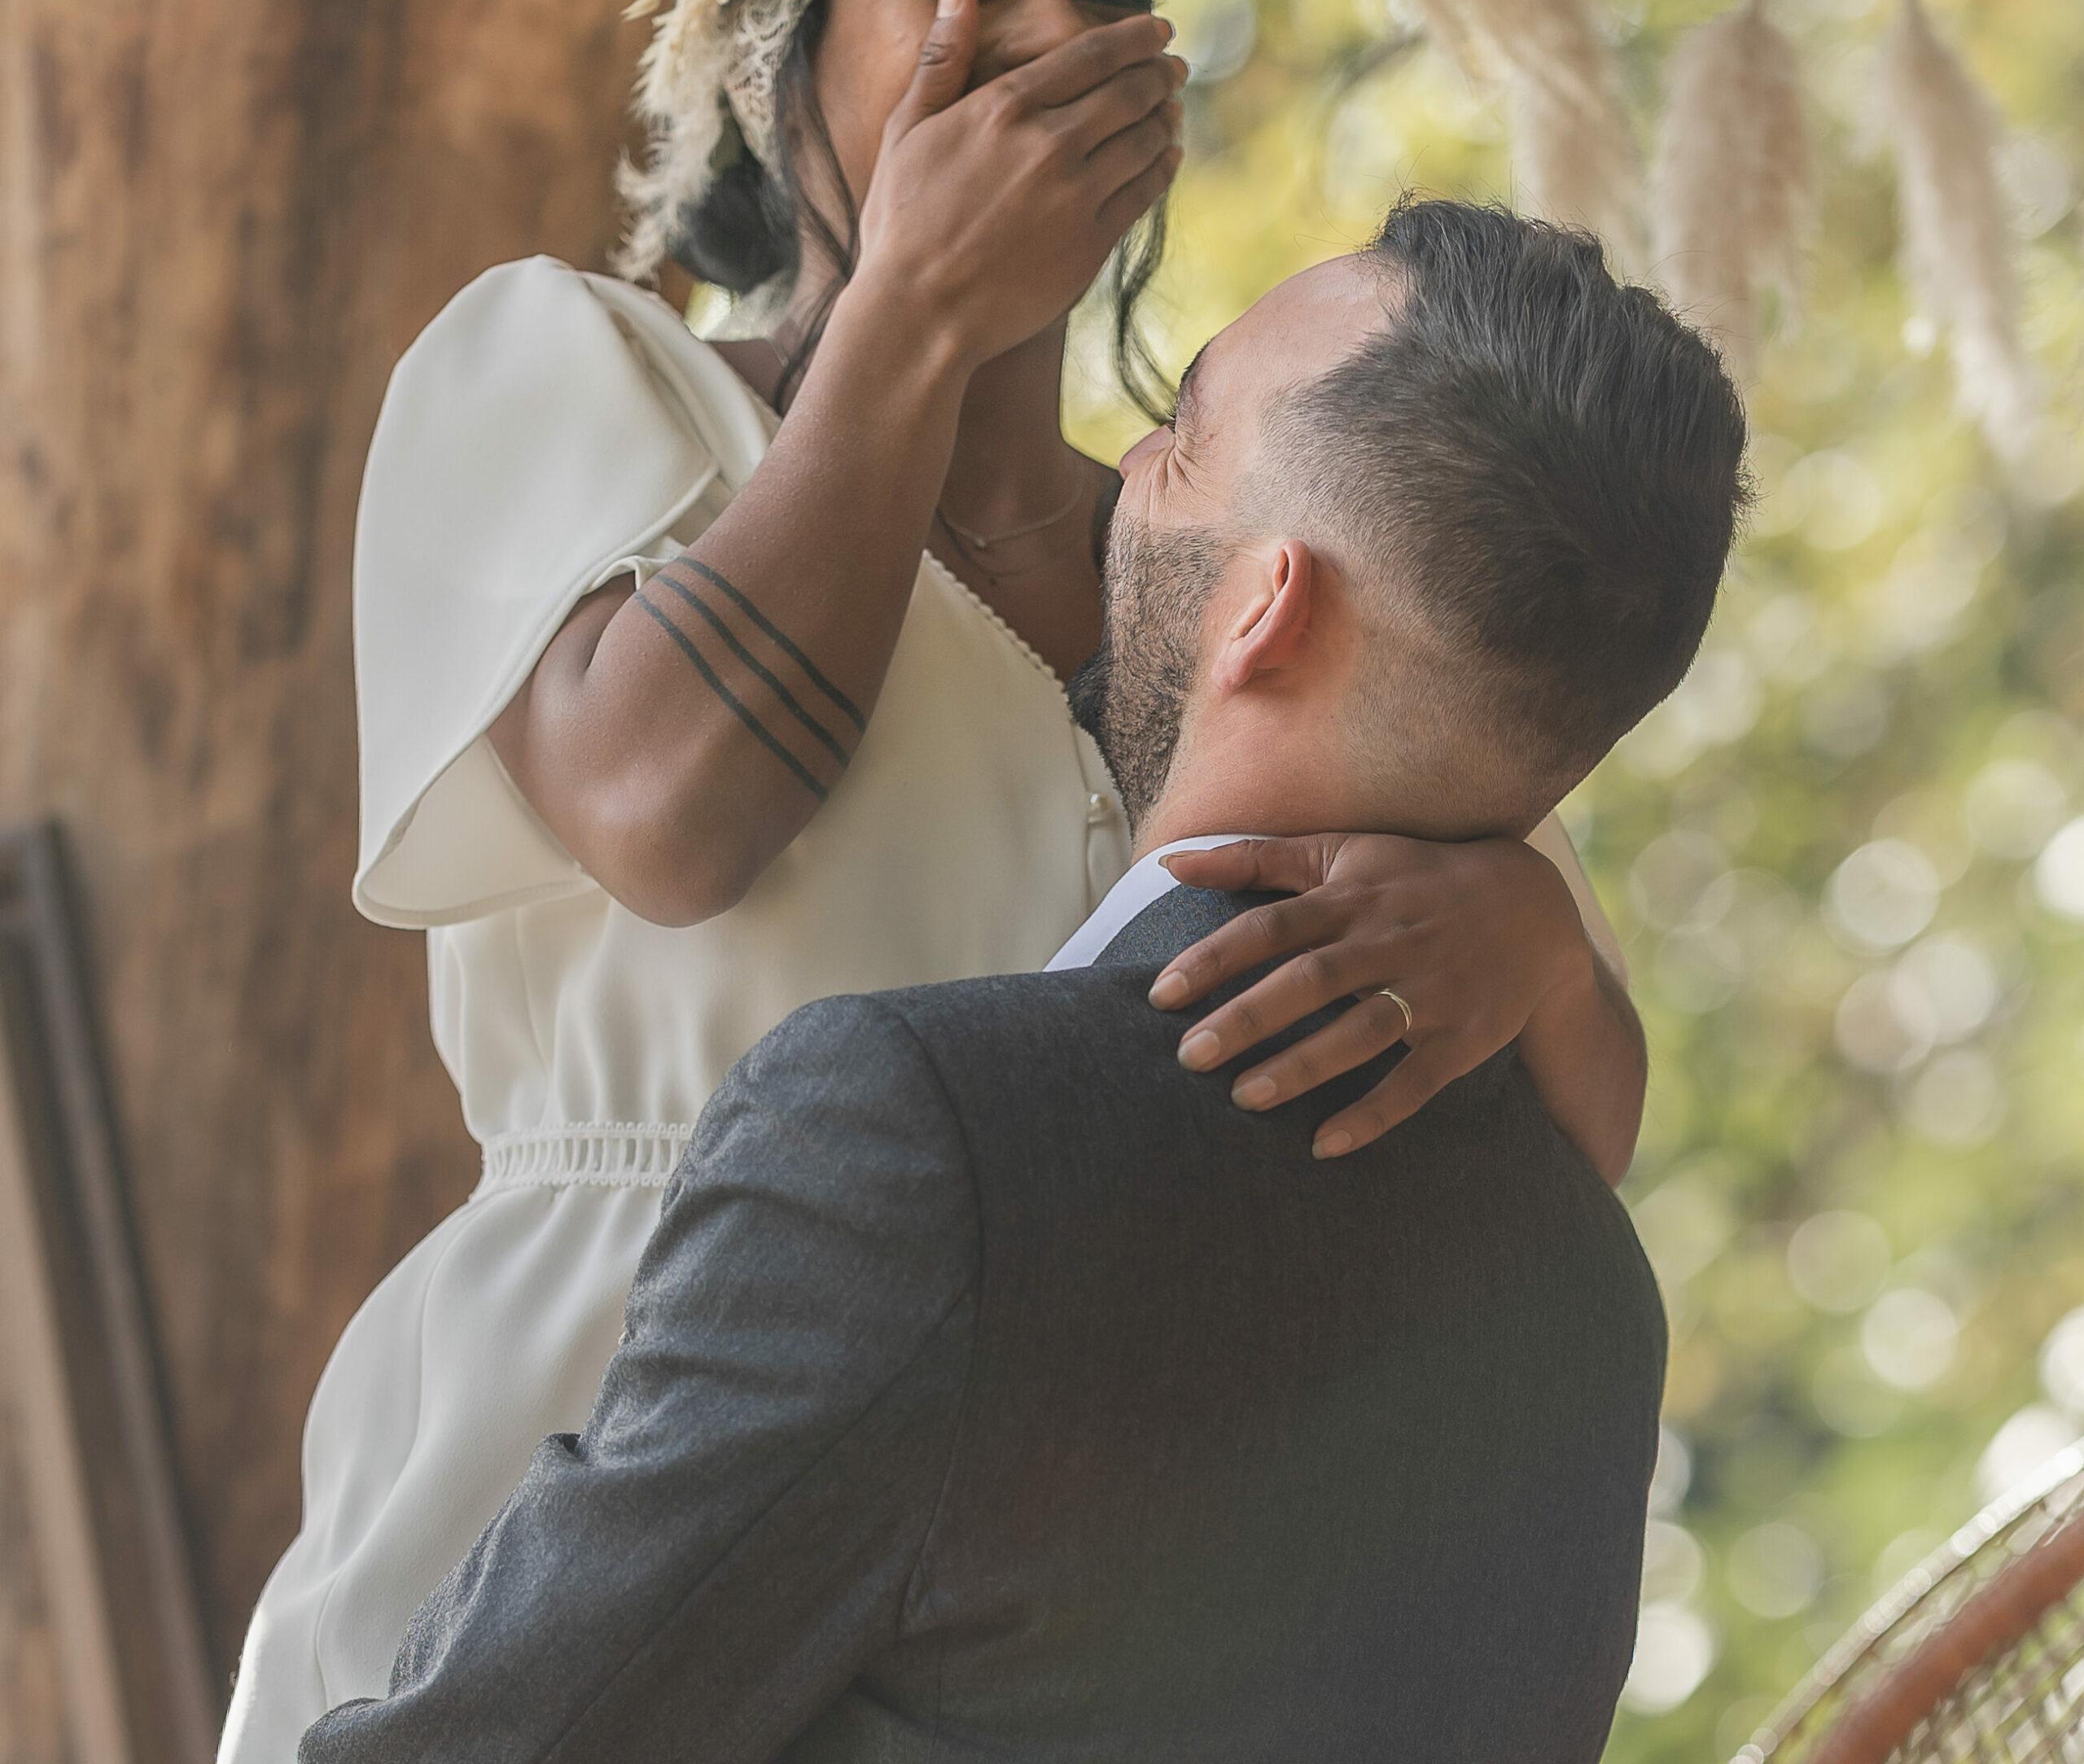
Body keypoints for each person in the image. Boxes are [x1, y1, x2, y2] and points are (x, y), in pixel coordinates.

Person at [217, 0, 1651, 1757]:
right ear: (772, 54)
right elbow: (663, 811)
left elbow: (1556, 1152)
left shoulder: (1219, 550)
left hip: (1031, 1560)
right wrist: (910, 307)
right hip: (580, 1485)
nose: (1051, 26)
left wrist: (1520, 926)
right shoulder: (575, 384)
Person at [299, 199, 1750, 1764]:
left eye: (1181, 437)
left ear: (1266, 606)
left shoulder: (918, 1144)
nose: (1121, 472)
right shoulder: (1592, 1312)